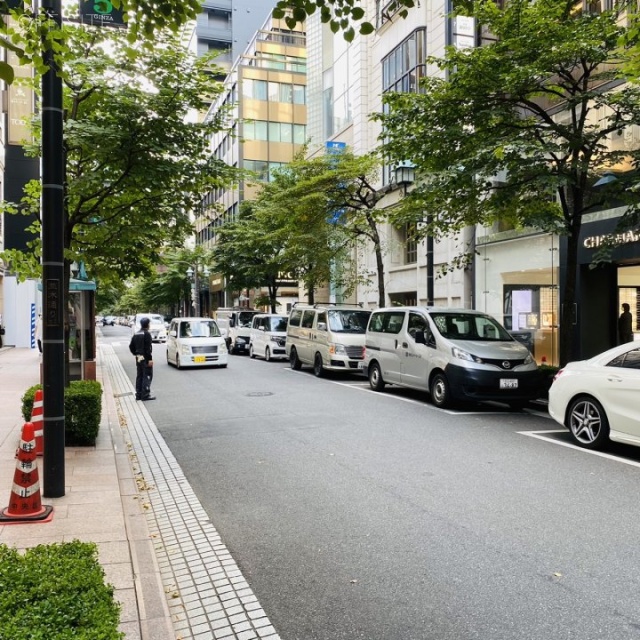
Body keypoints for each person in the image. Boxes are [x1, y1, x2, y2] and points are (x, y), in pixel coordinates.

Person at [129, 317, 155, 401]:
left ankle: (138, 394)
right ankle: (145, 394)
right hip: (145, 356)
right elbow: (148, 349)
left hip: (138, 356)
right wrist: (149, 359)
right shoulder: (146, 334)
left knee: (139, 375)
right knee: (147, 374)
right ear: (147, 324)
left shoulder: (136, 333)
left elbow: (131, 346)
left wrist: (135, 353)